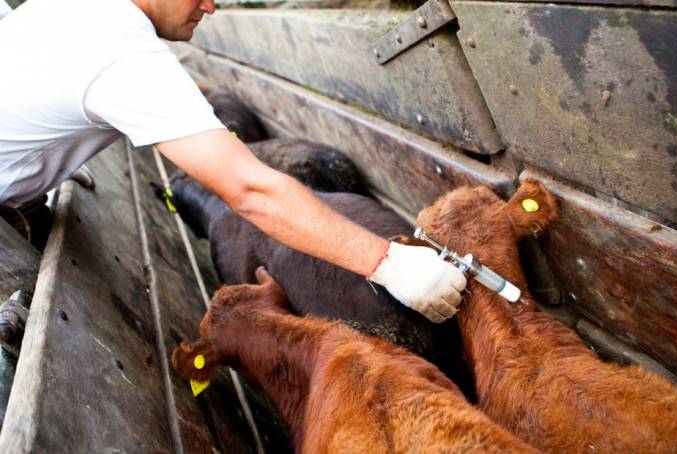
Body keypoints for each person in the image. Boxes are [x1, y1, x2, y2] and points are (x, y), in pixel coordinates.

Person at [0, 0, 467, 323]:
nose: (211, 7)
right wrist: (389, 264)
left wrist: (48, 162)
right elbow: (249, 188)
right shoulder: (123, 56)